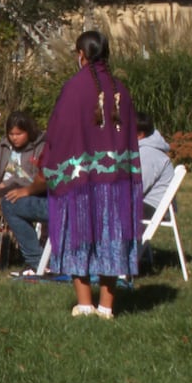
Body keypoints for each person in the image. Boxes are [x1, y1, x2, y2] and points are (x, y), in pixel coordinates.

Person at [29, 30, 142, 319]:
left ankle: (84, 304)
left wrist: (47, 163)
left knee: (76, 234)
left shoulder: (75, 88)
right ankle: (106, 307)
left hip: (78, 183)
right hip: (115, 182)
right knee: (111, 237)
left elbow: (59, 130)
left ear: (81, 55)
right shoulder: (121, 90)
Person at [0, 111, 48, 275]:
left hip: (29, 191)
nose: (14, 138)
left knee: (11, 203)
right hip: (1, 189)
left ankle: (35, 260)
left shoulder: (41, 146)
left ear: (29, 131)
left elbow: (39, 178)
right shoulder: (5, 146)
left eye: (19, 133)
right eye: (11, 134)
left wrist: (12, 183)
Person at [136, 112, 176, 219]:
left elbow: (137, 187)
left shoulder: (148, 154)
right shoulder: (145, 150)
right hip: (148, 204)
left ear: (140, 134)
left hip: (153, 207)